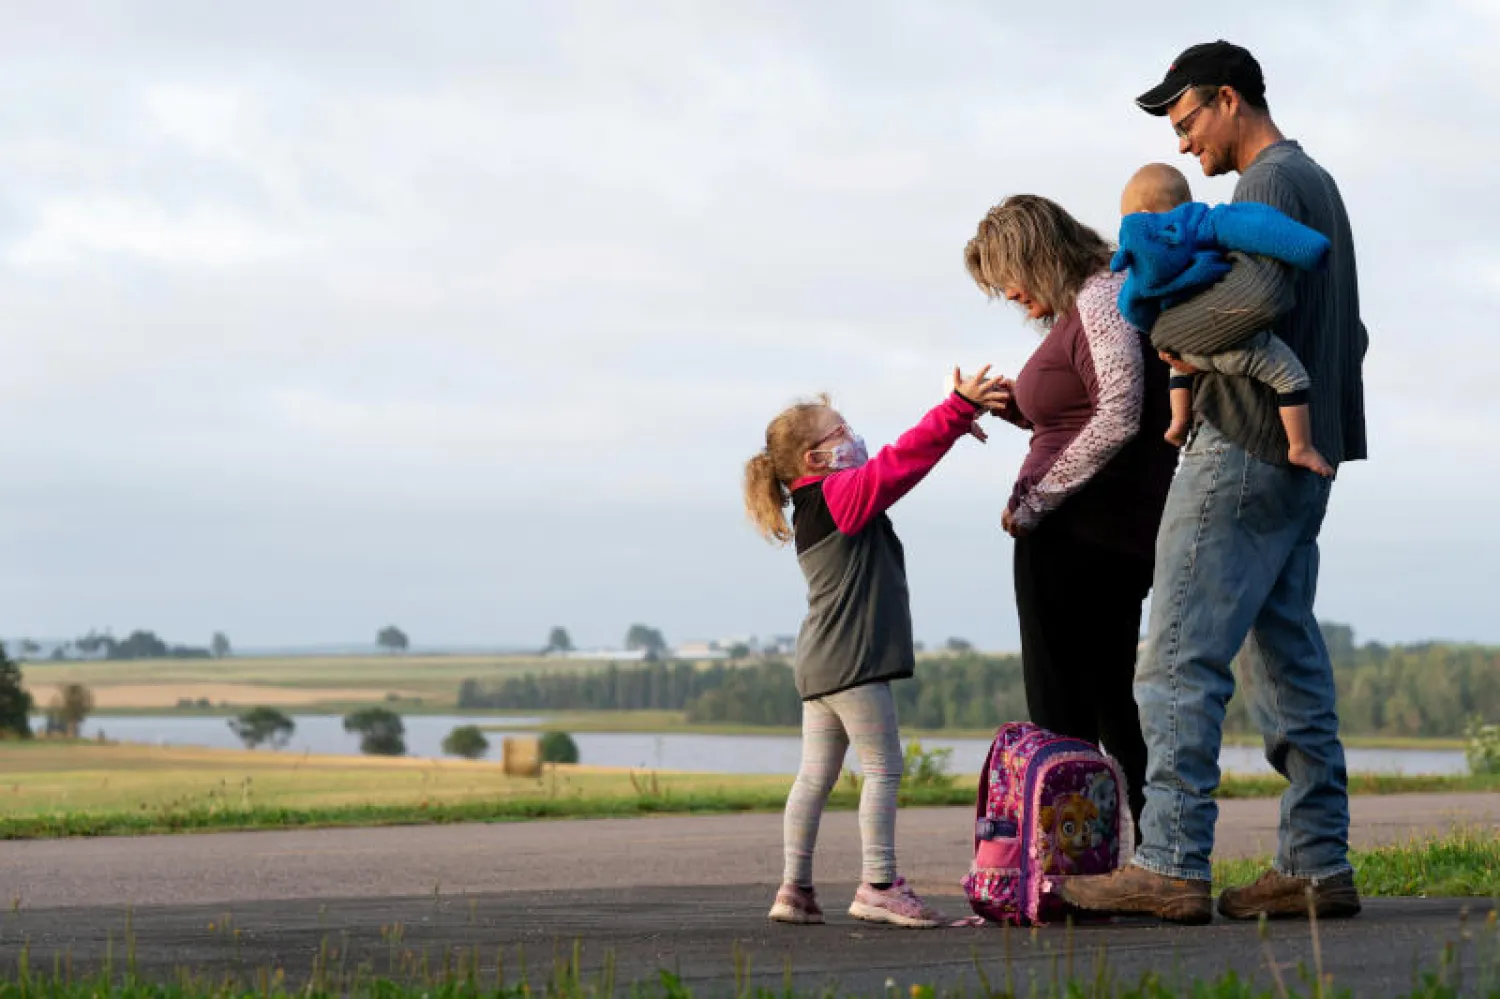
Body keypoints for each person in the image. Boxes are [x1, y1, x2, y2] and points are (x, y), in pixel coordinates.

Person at [1059, 40, 1369, 925]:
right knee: (1286, 662)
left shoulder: (1267, 185)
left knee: (1174, 655)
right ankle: (1316, 863)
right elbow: (1350, 331)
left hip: (1240, 446)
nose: (1183, 142)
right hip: (1304, 455)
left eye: (1187, 118)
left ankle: (1169, 859)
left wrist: (1167, 333)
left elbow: (1257, 301)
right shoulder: (1317, 183)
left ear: (1229, 99)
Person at [744, 368, 1010, 928]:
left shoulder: (815, 504)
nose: (854, 436)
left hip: (819, 663)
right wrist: (956, 411)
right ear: (815, 459)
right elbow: (899, 463)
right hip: (854, 664)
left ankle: (794, 890)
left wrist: (954, 424)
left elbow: (901, 464)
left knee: (813, 778)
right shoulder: (838, 495)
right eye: (840, 430)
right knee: (883, 768)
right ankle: (879, 885)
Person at [963, 194, 1178, 843]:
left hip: (1080, 536)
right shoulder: (1100, 300)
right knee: (1108, 700)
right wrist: (1018, 409)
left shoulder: (1101, 297)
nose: (1009, 294)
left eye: (1008, 277)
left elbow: (1119, 414)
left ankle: (1070, 863)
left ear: (1036, 256)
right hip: (1099, 533)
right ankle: (1147, 852)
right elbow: (1088, 412)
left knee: (1062, 707)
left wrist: (1036, 502)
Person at [1116, 163, 1334, 476]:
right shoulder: (1198, 221)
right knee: (1291, 378)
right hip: (1235, 344)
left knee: (1176, 369)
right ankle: (1300, 446)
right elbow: (1258, 228)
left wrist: (1160, 335)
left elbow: (1130, 305)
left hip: (1188, 355)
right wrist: (1311, 248)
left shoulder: (1136, 253)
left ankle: (1179, 421)